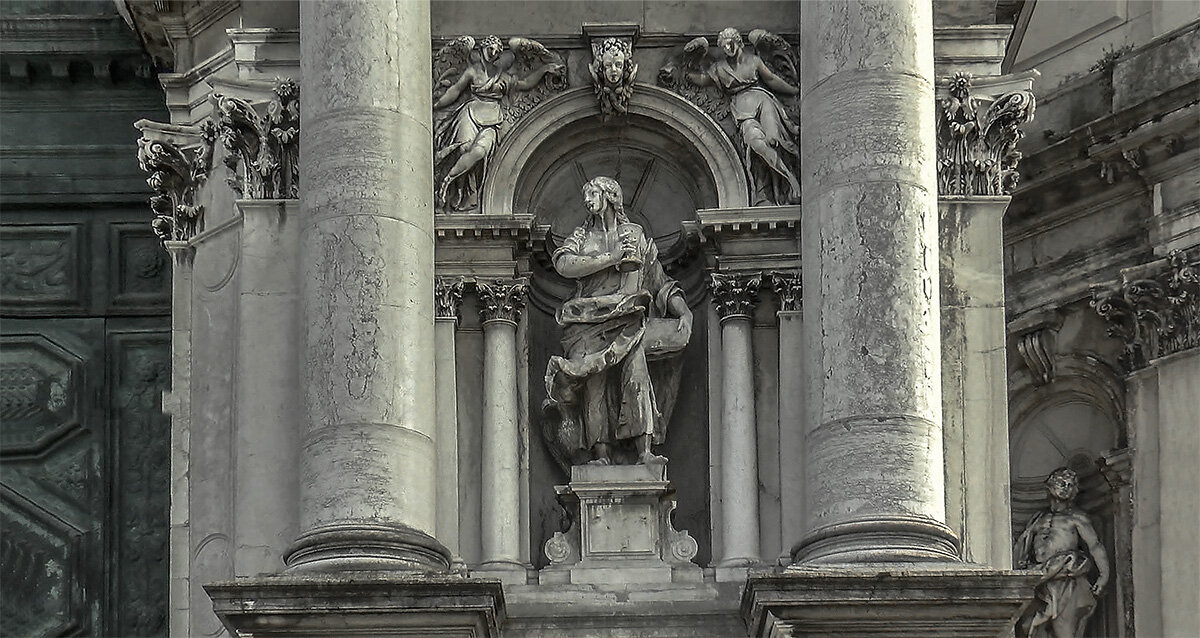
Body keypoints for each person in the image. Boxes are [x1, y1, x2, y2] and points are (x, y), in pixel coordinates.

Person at [543, 176, 692, 466]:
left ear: (610, 197)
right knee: (594, 386)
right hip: (588, 321)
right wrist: (611, 258)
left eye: (593, 194)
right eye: (586, 196)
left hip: (630, 320)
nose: (587, 201)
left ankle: (644, 450)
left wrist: (683, 310)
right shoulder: (582, 238)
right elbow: (563, 264)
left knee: (636, 377)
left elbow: (658, 281)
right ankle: (600, 455)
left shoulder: (635, 235)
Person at [433, 35, 563, 210]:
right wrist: (436, 104)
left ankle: (448, 179)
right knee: (463, 148)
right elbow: (455, 90)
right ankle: (454, 190)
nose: (493, 53)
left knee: (480, 152)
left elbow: (524, 83)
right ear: (483, 49)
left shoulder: (502, 76)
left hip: (493, 119)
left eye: (497, 51)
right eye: (490, 48)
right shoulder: (473, 71)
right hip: (470, 113)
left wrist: (545, 69)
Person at [684, 28, 801, 205]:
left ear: (738, 42)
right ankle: (788, 177)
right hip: (742, 110)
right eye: (723, 46)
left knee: (773, 139)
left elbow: (770, 80)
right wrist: (689, 67)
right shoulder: (719, 68)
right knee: (756, 142)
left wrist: (792, 90)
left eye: (730, 43)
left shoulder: (753, 61)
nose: (727, 48)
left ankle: (791, 184)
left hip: (763, 101)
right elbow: (701, 79)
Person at [1014, 467, 1111, 638]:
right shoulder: (1038, 518)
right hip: (1039, 580)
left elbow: (1094, 545)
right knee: (1026, 626)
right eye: (1061, 483)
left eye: (1070, 484)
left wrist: (1103, 575)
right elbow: (1023, 545)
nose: (1066, 487)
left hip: (1065, 580)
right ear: (1050, 486)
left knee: (1064, 631)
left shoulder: (1077, 518)